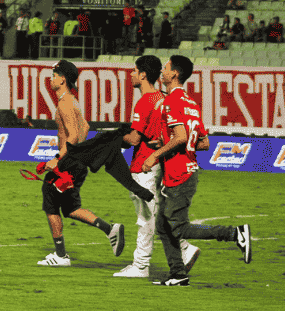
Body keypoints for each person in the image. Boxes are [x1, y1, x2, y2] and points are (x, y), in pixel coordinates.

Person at [142, 56, 251, 286]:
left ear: (175, 74)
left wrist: (155, 154)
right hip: (188, 170)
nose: (162, 71)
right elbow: (203, 143)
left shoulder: (171, 102)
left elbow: (181, 137)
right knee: (163, 226)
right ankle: (178, 274)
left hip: (178, 174)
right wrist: (163, 142)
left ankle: (234, 234)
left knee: (178, 227)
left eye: (166, 67)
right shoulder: (191, 103)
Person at [114, 55, 200, 278]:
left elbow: (134, 139)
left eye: (134, 70)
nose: (131, 74)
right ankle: (184, 249)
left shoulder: (145, 101)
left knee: (146, 218)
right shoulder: (164, 97)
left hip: (144, 165)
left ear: (143, 74)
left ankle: (141, 264)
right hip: (161, 166)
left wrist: (112, 139)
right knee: (158, 215)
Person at [36, 60, 126, 266]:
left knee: (50, 204)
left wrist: (59, 159)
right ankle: (109, 229)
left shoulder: (64, 103)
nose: (51, 79)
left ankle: (60, 256)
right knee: (70, 208)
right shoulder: (72, 101)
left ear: (63, 79)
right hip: (75, 161)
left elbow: (74, 136)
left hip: (67, 162)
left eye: (54, 75)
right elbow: (85, 126)